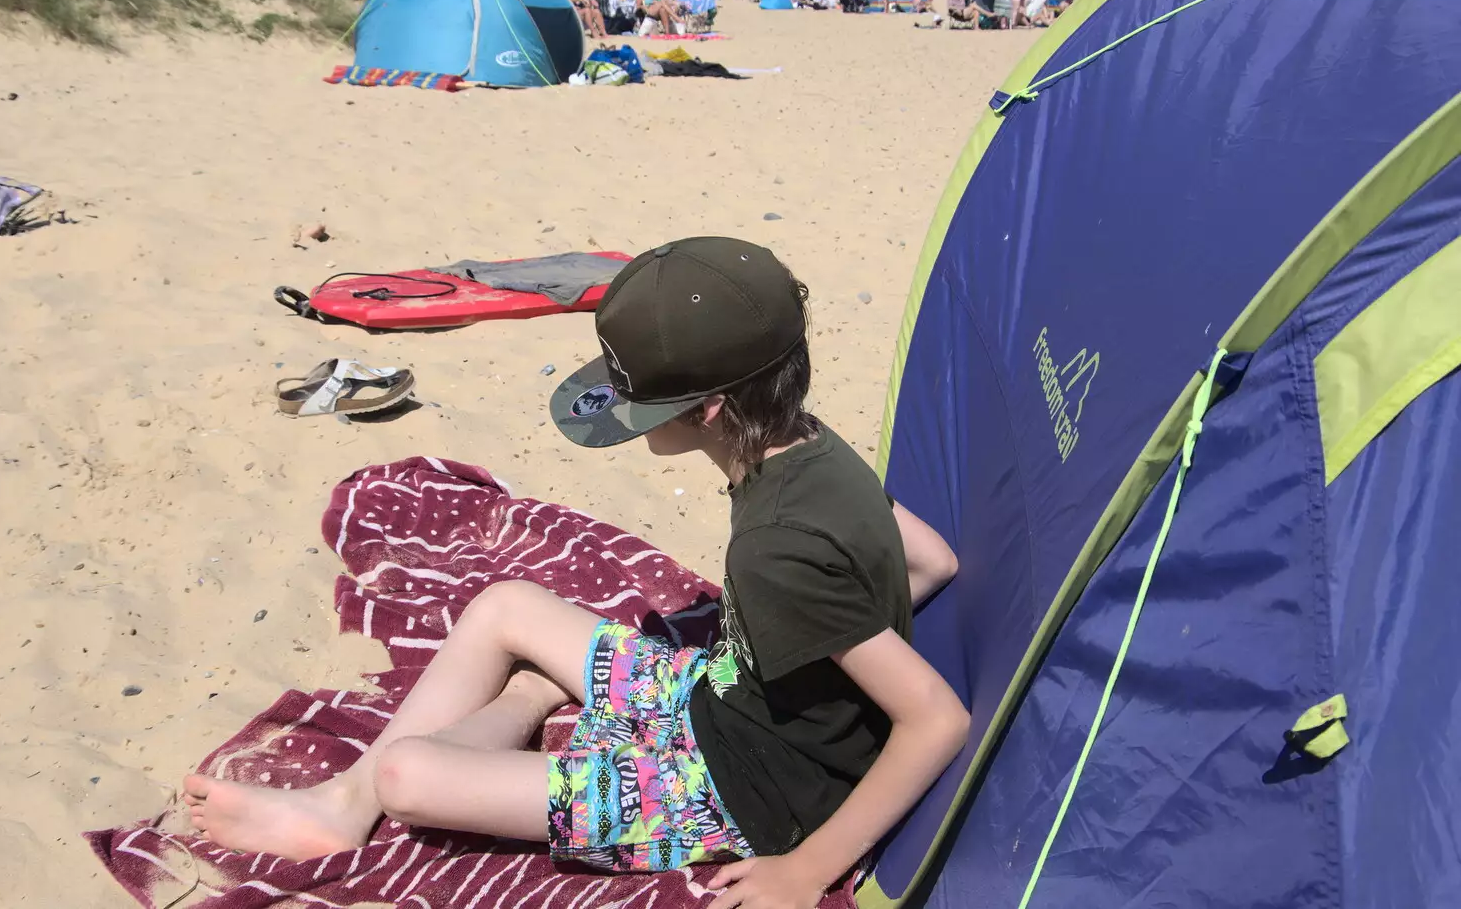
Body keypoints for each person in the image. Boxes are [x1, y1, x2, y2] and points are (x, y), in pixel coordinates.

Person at [181, 237, 969, 908]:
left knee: (405, 776)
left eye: (638, 406)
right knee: (505, 604)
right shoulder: (814, 446)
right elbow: (931, 559)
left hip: (732, 794)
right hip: (719, 697)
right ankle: (343, 803)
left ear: (707, 412)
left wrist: (807, 870)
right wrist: (830, 643)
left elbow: (935, 718)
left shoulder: (776, 550)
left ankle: (463, 739)